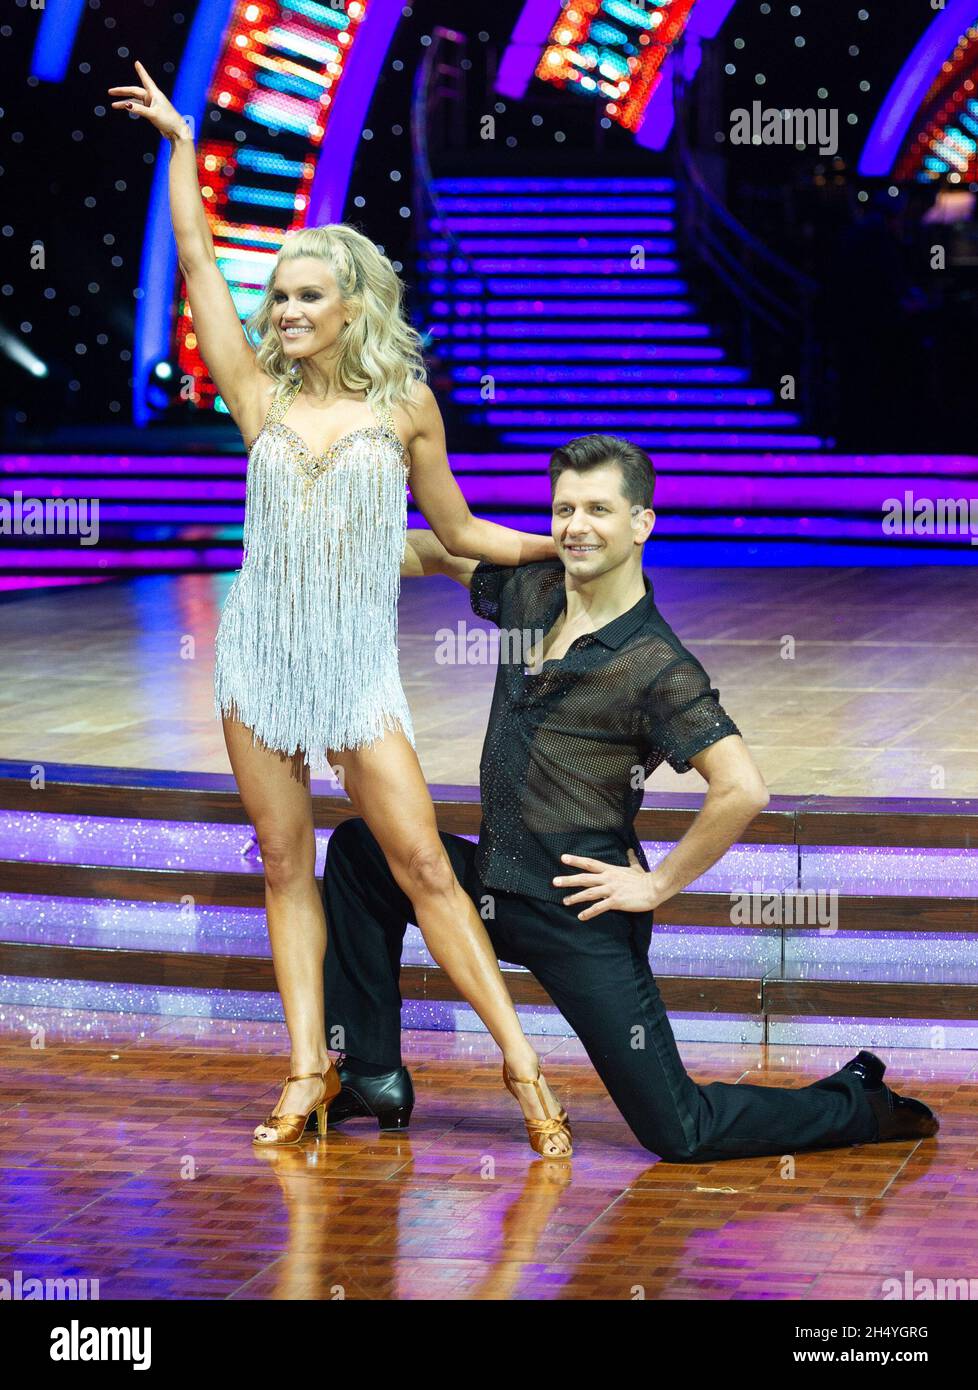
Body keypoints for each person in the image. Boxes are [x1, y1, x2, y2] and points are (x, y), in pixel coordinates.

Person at [109, 61, 571, 1157]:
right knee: (283, 863)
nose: (287, 310)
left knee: (419, 864)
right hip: (260, 664)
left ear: (352, 304)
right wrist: (182, 149)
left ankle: (524, 1067)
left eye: (309, 295)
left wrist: (567, 542)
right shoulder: (255, 394)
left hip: (359, 675)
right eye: (282, 296)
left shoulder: (406, 404)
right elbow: (199, 273)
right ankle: (309, 1069)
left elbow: (457, 532)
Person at [321, 434, 940, 1160]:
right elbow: (437, 552)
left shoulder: (655, 665)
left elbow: (742, 789)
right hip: (483, 888)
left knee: (681, 1133)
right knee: (364, 850)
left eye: (598, 510)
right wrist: (326, 539)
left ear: (642, 522)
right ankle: (369, 1070)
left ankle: (860, 1105)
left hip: (579, 912)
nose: (575, 525)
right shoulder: (532, 589)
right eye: (563, 509)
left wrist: (655, 885)